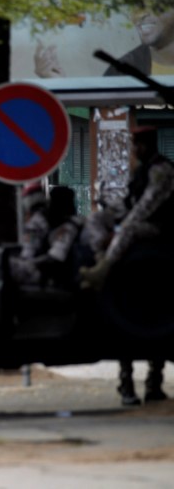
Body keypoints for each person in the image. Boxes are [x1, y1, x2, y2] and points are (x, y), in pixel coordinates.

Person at [79, 125, 173, 407]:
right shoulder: (140, 171)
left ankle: (105, 266)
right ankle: (101, 260)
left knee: (126, 231)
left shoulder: (162, 170)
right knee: (94, 221)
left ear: (150, 143)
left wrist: (118, 228)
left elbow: (146, 206)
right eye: (134, 144)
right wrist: (108, 216)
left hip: (159, 229)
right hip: (134, 233)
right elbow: (129, 202)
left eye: (140, 144)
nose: (136, 149)